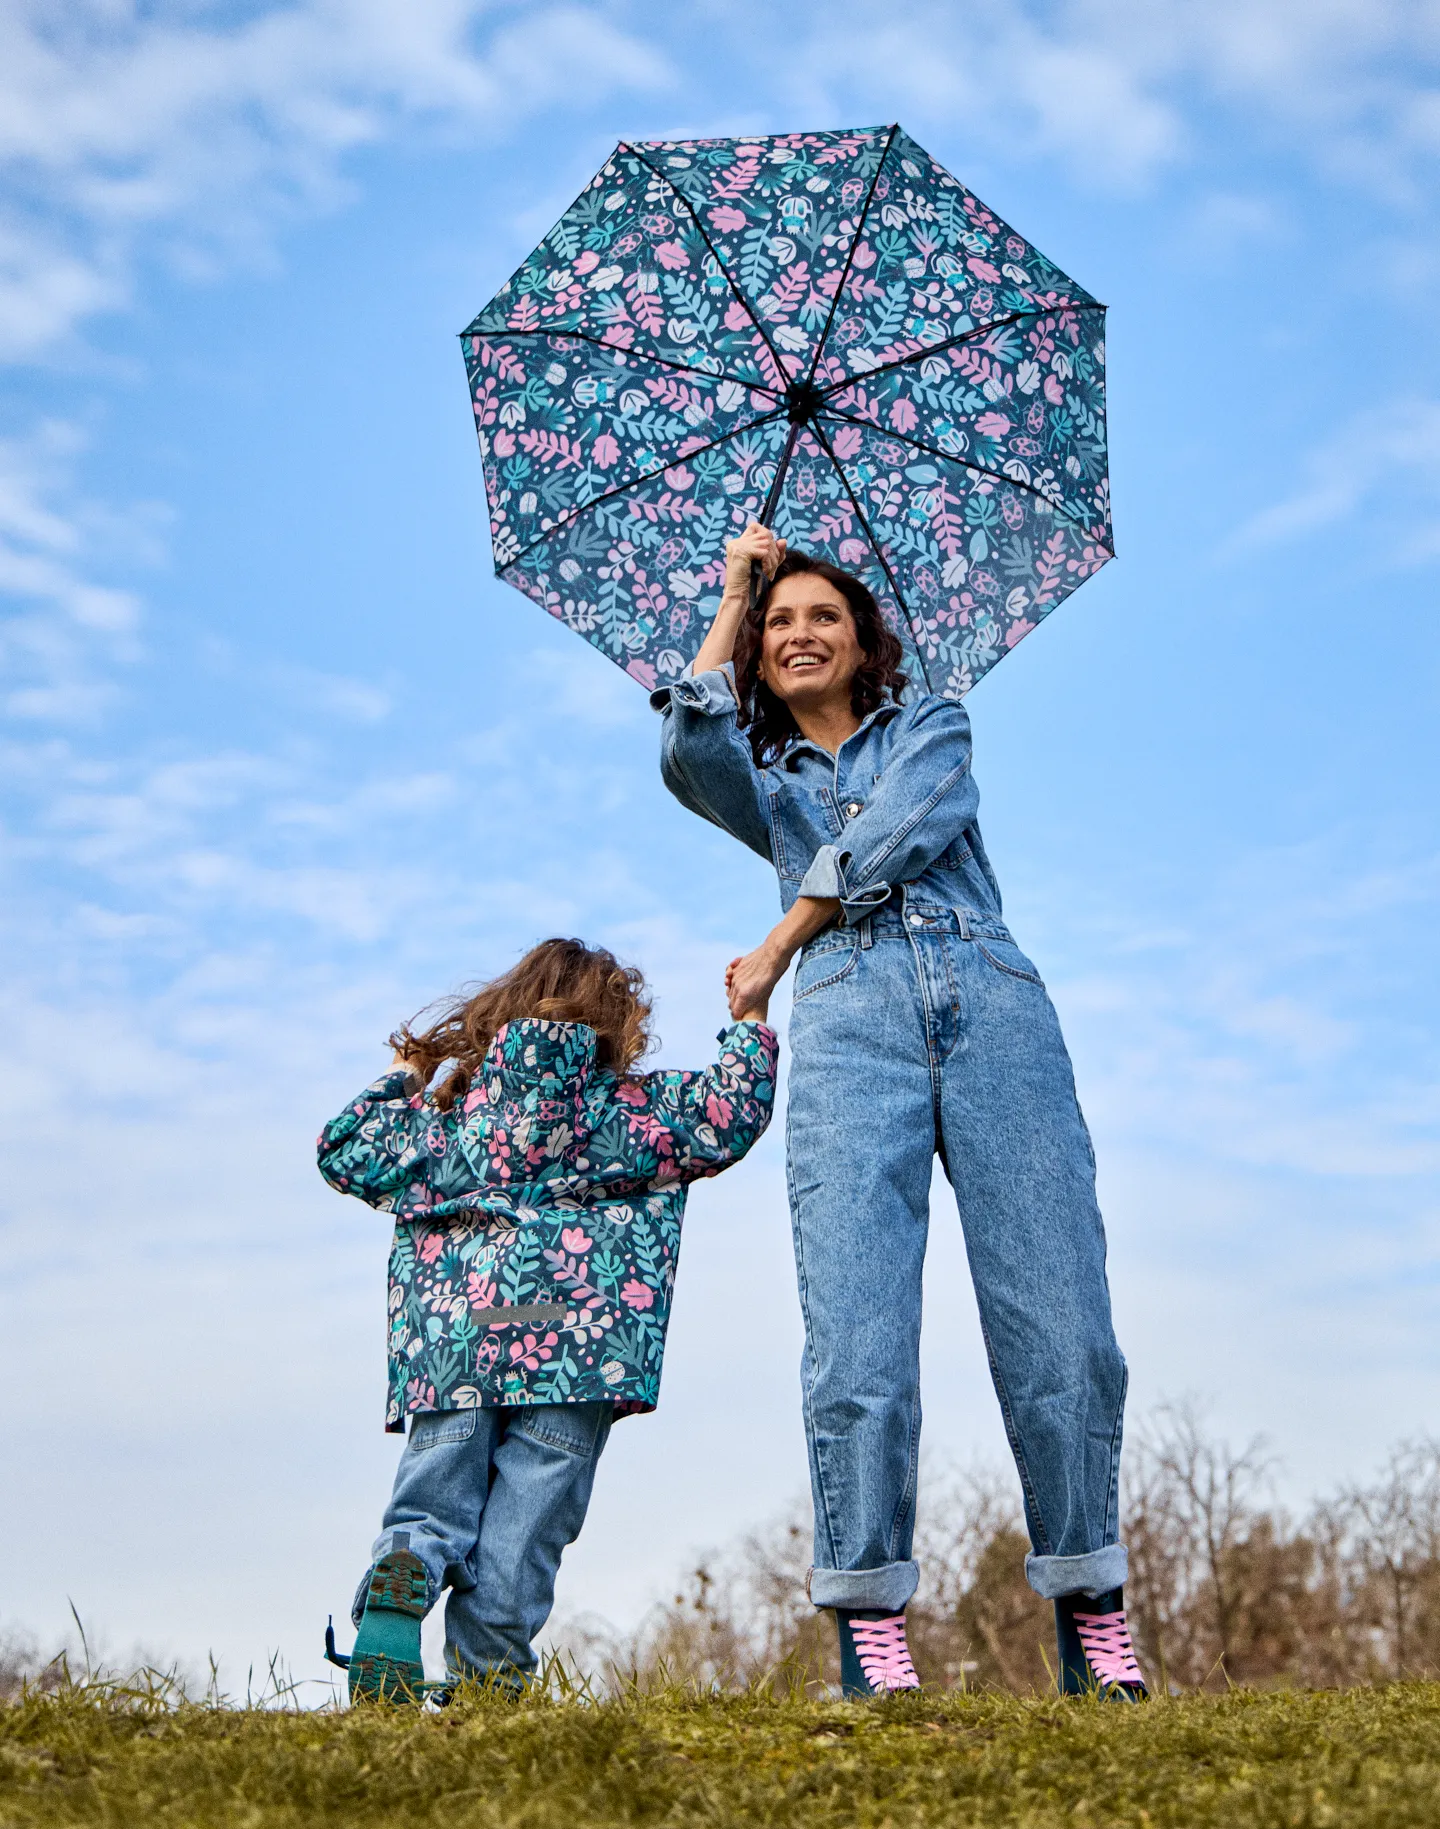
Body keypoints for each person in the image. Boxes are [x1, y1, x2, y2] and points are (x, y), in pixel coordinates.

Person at [651, 525, 1146, 1702]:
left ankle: (1093, 1611)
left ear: (866, 643)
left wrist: (779, 936)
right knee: (858, 1332)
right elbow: (683, 747)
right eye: (779, 627)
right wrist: (734, 587)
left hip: (993, 1007)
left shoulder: (935, 724)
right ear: (761, 658)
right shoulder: (761, 785)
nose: (798, 633)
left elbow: (899, 834)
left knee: (1061, 1315)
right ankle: (870, 1622)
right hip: (849, 1032)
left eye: (822, 617)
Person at [317, 936, 778, 1703]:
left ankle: (407, 1567)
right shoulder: (629, 1112)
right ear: (615, 1025)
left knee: (434, 1500)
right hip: (578, 1350)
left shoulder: (456, 1118)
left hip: (459, 1345)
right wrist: (751, 1015)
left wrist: (404, 1081)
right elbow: (730, 1113)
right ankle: (491, 1687)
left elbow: (344, 1150)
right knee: (525, 1533)